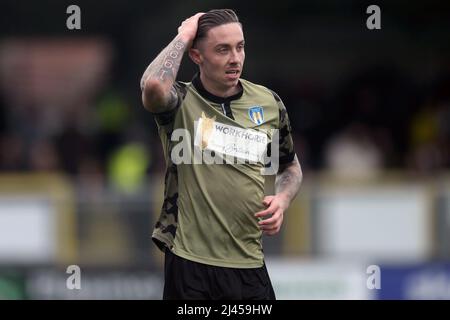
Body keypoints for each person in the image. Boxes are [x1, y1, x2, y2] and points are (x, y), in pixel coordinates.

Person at [140, 9, 302, 300]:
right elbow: (153, 86)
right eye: (222, 49)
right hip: (190, 264)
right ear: (196, 56)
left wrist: (282, 199)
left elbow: (289, 167)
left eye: (240, 47)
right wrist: (184, 35)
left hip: (248, 264)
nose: (235, 59)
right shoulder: (179, 102)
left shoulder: (267, 103)